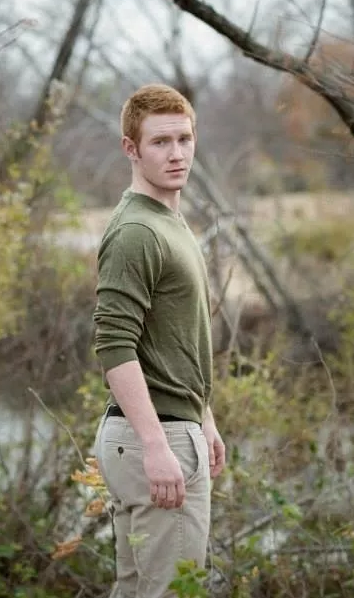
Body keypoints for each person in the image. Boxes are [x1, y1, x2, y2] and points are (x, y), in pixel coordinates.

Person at [91, 83, 226, 598]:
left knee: (139, 590)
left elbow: (178, 337)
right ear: (131, 149)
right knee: (171, 593)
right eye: (160, 142)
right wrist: (155, 445)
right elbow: (115, 346)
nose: (176, 154)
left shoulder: (168, 221)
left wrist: (204, 417)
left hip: (175, 426)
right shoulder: (135, 233)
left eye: (184, 139)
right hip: (156, 436)